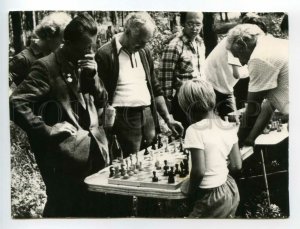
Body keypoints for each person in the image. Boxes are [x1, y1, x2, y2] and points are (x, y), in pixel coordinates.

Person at [10, 12, 109, 217]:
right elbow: (16, 103)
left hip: (94, 149)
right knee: (63, 210)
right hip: (62, 158)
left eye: (92, 45)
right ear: (68, 42)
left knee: (92, 210)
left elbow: (101, 100)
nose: (89, 51)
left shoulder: (85, 62)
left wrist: (93, 78)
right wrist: (46, 130)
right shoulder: (46, 66)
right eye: (85, 47)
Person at [95, 11, 183, 217]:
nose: (143, 46)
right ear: (127, 31)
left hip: (148, 116)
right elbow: (100, 96)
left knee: (151, 165)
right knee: (127, 170)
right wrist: (105, 127)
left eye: (146, 42)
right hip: (123, 119)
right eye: (140, 41)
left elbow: (155, 88)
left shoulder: (144, 52)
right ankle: (123, 216)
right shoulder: (105, 54)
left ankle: (150, 213)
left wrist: (168, 118)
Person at [178, 79, 242, 218]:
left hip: (210, 196)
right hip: (230, 188)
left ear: (188, 107)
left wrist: (191, 193)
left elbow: (199, 171)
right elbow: (237, 165)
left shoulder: (194, 130)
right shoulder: (228, 126)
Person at [226, 24, 288, 146]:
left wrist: (237, 143)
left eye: (238, 56)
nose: (242, 63)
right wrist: (250, 138)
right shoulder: (272, 42)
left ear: (243, 46)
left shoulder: (258, 58)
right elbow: (269, 104)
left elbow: (252, 109)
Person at [158, 12, 206, 129]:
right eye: (190, 24)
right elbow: (165, 79)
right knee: (187, 134)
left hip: (199, 98)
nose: (194, 28)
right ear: (183, 23)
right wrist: (167, 107)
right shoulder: (175, 46)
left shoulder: (200, 43)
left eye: (198, 24)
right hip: (182, 102)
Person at [9, 12, 71, 87]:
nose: (64, 43)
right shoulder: (23, 59)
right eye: (62, 38)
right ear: (49, 35)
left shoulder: (54, 56)